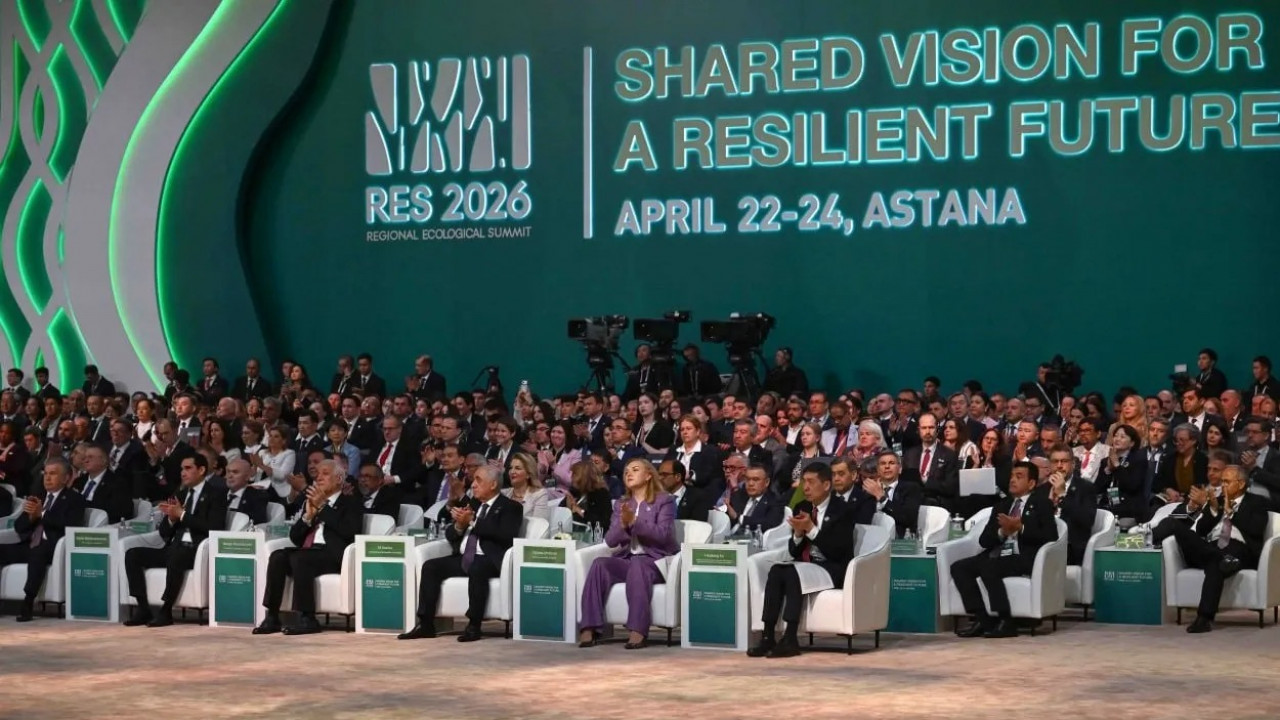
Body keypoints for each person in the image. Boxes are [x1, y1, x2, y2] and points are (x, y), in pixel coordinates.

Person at [399, 464, 522, 642]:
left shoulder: (511, 507)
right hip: (464, 557)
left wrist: (472, 521)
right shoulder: (473, 504)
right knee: (431, 566)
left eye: (478, 480)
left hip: (490, 559)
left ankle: (474, 625)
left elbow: (505, 535)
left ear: (493, 484)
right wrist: (459, 525)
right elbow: (451, 535)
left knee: (477, 568)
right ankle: (426, 624)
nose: (473, 485)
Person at [747, 463, 857, 658]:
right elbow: (794, 551)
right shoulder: (802, 507)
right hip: (806, 565)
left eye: (811, 482)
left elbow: (838, 550)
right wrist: (798, 534)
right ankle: (768, 635)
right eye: (804, 482)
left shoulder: (843, 510)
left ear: (826, 485)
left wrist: (811, 530)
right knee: (777, 570)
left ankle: (790, 638)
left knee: (791, 573)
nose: (805, 487)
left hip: (833, 567)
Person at [577, 458, 678, 650]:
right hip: (628, 560)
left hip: (655, 561)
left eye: (635, 469)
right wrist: (623, 525)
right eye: (625, 471)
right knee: (599, 564)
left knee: (639, 565)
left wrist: (635, 521)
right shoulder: (621, 504)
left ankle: (638, 629)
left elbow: (663, 535)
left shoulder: (664, 500)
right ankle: (589, 626)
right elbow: (610, 540)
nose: (628, 473)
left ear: (648, 475)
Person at [950, 461, 1058, 639]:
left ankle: (1006, 621)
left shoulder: (1041, 504)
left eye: (1019, 477)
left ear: (1031, 483)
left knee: (989, 566)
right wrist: (1002, 532)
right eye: (1012, 476)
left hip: (1023, 556)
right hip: (999, 554)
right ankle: (982, 620)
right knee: (959, 567)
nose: (1013, 480)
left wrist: (1020, 528)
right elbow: (984, 541)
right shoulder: (1002, 505)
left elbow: (1050, 536)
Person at [254, 459, 362, 635]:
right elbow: (295, 538)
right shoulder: (311, 501)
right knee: (278, 556)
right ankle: (272, 616)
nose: (319, 478)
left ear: (339, 479)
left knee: (300, 558)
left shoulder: (351, 502)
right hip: (310, 552)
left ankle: (307, 618)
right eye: (317, 474)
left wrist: (323, 507)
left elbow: (349, 531)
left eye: (325, 473)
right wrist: (307, 518)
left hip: (335, 555)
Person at [1158, 465, 1269, 633]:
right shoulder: (1217, 500)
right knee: (1176, 525)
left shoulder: (1257, 502)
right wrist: (1213, 509)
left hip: (1238, 547)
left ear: (1241, 484)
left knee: (1215, 563)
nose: (1222, 485)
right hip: (1211, 546)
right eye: (1222, 481)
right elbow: (1201, 530)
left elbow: (1256, 529)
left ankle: (1203, 619)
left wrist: (1231, 512)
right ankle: (1221, 559)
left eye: (1227, 481)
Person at [123, 453, 229, 627]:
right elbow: (164, 532)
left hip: (197, 550)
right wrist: (172, 519)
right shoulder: (181, 493)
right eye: (181, 469)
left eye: (188, 468)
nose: (183, 473)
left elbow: (214, 527)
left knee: (177, 555)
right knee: (133, 554)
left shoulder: (216, 494)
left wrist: (182, 514)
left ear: (201, 470)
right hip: (174, 547)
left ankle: (166, 611)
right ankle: (143, 608)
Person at [0, 458, 84, 621]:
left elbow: (70, 525)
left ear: (66, 478)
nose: (47, 478)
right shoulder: (38, 497)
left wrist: (42, 515)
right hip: (30, 544)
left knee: (39, 551)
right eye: (45, 473)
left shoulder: (75, 499)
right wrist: (31, 518)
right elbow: (19, 527)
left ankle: (28, 602)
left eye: (53, 474)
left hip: (54, 546)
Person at [1040, 444, 1099, 564]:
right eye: (1055, 461)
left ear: (1073, 464)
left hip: (1071, 547)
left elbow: (1087, 520)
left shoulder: (1085, 488)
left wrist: (1063, 496)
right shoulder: (1042, 490)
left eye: (1064, 461)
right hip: (1044, 544)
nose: (1059, 465)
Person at [903, 412, 960, 511]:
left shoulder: (949, 455)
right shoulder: (910, 454)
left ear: (937, 429)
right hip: (914, 504)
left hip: (939, 505)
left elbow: (950, 487)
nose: (927, 431)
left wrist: (925, 481)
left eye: (931, 427)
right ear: (918, 430)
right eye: (924, 428)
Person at [663, 414, 725, 499]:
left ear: (698, 431)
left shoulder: (709, 451)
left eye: (689, 428)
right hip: (671, 493)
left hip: (698, 495)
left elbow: (708, 476)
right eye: (682, 429)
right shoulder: (674, 450)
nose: (685, 432)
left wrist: (691, 475)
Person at [864, 450, 922, 538]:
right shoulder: (870, 491)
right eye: (883, 464)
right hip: (873, 537)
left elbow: (907, 518)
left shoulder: (911, 488)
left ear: (900, 469)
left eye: (891, 463)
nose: (887, 466)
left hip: (900, 539)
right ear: (878, 470)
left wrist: (882, 498)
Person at [73, 444, 132, 523]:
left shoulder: (117, 483)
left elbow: (119, 512)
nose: (86, 460)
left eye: (90, 457)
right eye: (85, 457)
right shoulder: (78, 481)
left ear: (104, 461)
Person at [723, 463, 784, 534]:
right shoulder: (738, 496)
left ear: (767, 482)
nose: (750, 483)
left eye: (756, 479)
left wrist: (739, 517)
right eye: (747, 479)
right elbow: (727, 520)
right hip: (729, 536)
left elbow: (769, 524)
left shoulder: (775, 501)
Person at [564, 460, 612, 531]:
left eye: (574, 474)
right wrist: (568, 507)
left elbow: (604, 522)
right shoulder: (574, 491)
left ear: (584, 477)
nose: (571, 477)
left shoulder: (601, 493)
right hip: (573, 529)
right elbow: (561, 511)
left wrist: (580, 511)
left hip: (594, 533)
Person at [502, 451, 550, 521]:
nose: (512, 471)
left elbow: (540, 524)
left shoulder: (539, 495)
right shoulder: (503, 494)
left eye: (517, 468)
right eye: (511, 468)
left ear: (528, 474)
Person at [224, 457, 270, 524]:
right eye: (228, 472)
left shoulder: (257, 496)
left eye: (235, 472)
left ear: (247, 477)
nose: (230, 476)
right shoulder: (217, 494)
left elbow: (257, 522)